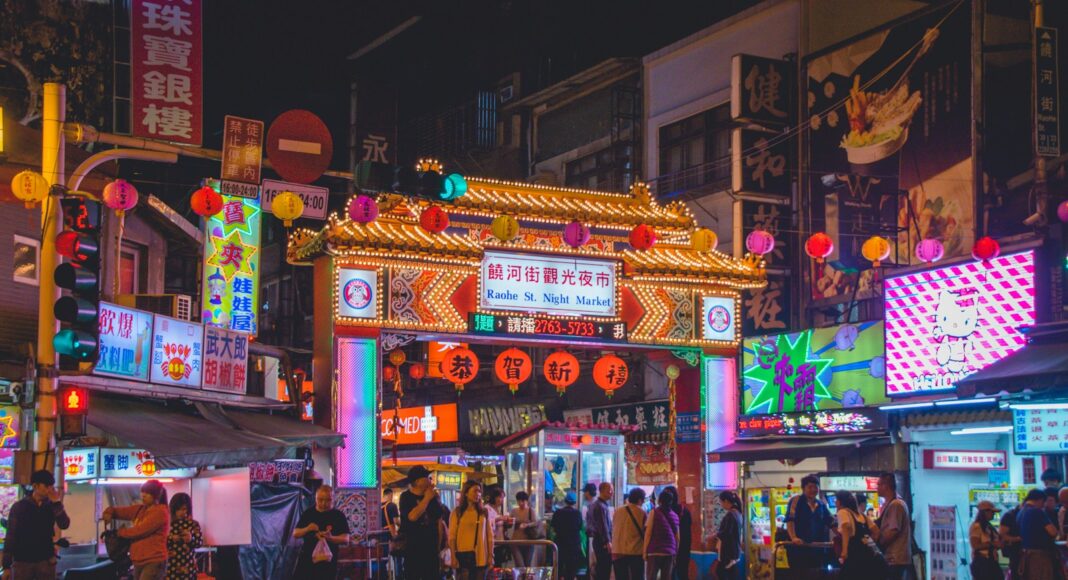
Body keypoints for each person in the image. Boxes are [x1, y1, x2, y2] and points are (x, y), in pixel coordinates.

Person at [1, 469, 70, 580]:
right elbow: (11, 536)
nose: (49, 489)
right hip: (22, 562)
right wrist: (6, 566)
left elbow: (64, 524)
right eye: (46, 486)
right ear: (35, 486)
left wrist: (57, 503)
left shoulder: (52, 506)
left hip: (46, 561)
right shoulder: (19, 507)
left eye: (51, 486)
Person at [104, 479, 170, 580]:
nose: (143, 495)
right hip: (138, 560)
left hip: (154, 560)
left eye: (148, 493)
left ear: (157, 495)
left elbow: (140, 531)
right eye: (142, 492)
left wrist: (120, 532)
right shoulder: (140, 509)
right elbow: (119, 511)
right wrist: (109, 512)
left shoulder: (161, 512)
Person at [292, 485, 351, 579]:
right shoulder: (308, 513)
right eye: (320, 500)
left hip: (328, 562)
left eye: (328, 500)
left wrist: (330, 538)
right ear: (315, 498)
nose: (324, 503)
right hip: (307, 561)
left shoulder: (338, 516)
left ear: (333, 499)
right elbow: (295, 533)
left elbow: (346, 539)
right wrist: (307, 528)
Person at [399, 465, 446, 580]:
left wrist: (438, 548)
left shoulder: (434, 498)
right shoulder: (406, 497)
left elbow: (439, 523)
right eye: (427, 477)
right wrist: (426, 499)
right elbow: (412, 517)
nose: (430, 480)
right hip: (413, 550)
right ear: (417, 481)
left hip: (431, 551)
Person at [784, 475, 835, 577]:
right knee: (800, 575)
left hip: (817, 549)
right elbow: (790, 520)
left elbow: (831, 522)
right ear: (803, 488)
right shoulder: (796, 500)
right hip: (799, 548)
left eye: (815, 487)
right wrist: (794, 537)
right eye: (810, 487)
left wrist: (841, 536)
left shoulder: (821, 504)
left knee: (816, 574)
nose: (813, 490)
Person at [449, 481, 493, 580]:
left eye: (479, 491)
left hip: (481, 557)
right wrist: (453, 556)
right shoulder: (457, 512)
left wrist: (491, 555)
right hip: (463, 557)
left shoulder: (484, 512)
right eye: (474, 491)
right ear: (466, 493)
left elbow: (489, 536)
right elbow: (452, 536)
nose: (478, 494)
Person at [835, 491, 883, 580]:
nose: (835, 502)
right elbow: (876, 531)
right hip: (866, 556)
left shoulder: (842, 512)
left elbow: (846, 527)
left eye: (836, 499)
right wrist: (868, 541)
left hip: (853, 554)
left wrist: (844, 551)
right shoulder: (862, 515)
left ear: (841, 501)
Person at [875, 472, 913, 580]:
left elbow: (893, 530)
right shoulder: (890, 504)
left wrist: (879, 544)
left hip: (895, 558)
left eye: (878, 484)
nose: (876, 487)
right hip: (893, 557)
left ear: (885, 486)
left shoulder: (896, 504)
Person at [1019, 488, 1059, 579]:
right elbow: (1053, 532)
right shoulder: (1037, 511)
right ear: (1041, 500)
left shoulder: (1021, 511)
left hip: (1026, 554)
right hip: (1039, 556)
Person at [643, 489, 679, 580]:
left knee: (651, 577)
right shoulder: (675, 516)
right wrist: (675, 553)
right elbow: (677, 537)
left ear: (659, 500)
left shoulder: (654, 512)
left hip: (654, 551)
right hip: (669, 552)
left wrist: (644, 551)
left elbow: (648, 533)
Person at [164, 493, 202, 580]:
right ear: (173, 509)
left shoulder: (193, 524)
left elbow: (199, 542)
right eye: (178, 509)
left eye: (184, 509)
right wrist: (170, 538)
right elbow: (159, 542)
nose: (181, 512)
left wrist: (190, 539)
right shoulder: (166, 524)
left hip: (188, 567)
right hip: (169, 567)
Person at [611, 488, 646, 580]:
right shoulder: (641, 512)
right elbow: (645, 532)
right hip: (635, 551)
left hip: (617, 550)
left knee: (621, 577)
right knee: (637, 576)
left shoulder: (617, 511)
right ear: (639, 500)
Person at [551, 492, 585, 580]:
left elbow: (553, 526)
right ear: (574, 502)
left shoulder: (558, 513)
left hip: (560, 544)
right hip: (573, 545)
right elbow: (580, 526)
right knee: (571, 569)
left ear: (565, 501)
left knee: (559, 566)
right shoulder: (577, 513)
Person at [662, 485, 692, 580]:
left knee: (669, 573)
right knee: (683, 572)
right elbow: (689, 528)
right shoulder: (684, 510)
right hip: (684, 546)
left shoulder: (663, 512)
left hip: (669, 546)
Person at [713, 491, 744, 580]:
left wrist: (715, 535)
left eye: (721, 502)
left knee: (721, 572)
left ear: (726, 501)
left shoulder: (731, 515)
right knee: (730, 574)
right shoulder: (737, 513)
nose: (721, 505)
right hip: (734, 552)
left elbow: (726, 533)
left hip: (728, 552)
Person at [586, 482, 614, 580]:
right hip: (602, 542)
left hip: (599, 541)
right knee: (604, 569)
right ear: (602, 491)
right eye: (609, 490)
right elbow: (603, 526)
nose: (612, 493)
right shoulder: (600, 506)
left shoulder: (597, 505)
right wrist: (607, 541)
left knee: (602, 568)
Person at [969, 500, 1002, 580]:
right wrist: (993, 544)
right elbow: (975, 545)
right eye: (992, 512)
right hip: (982, 563)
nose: (993, 514)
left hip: (991, 562)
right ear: (984, 512)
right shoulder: (977, 527)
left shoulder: (989, 526)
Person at [510, 491, 541, 567]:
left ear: (526, 501)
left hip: (528, 541)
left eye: (523, 501)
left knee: (527, 564)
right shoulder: (514, 511)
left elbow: (537, 522)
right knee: (519, 564)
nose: (520, 503)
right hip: (515, 541)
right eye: (519, 501)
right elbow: (510, 523)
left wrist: (527, 525)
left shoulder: (531, 511)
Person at [381, 487, 403, 578]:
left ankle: (383, 576)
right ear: (390, 495)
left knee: (383, 559)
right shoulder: (392, 506)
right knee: (397, 558)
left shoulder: (378, 506)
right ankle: (398, 577)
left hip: (381, 536)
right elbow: (397, 522)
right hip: (391, 536)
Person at [1000, 500, 1024, 579]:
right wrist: (1018, 539)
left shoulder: (1011, 515)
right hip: (1015, 552)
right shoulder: (1010, 515)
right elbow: (1002, 535)